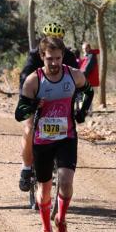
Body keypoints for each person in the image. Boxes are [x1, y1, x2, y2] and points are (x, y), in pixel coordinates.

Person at [15, 36, 93, 232]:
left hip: (66, 137)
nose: (55, 63)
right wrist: (33, 105)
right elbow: (19, 113)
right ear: (42, 57)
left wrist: (81, 111)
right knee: (44, 190)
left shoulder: (73, 75)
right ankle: (45, 230)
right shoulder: (33, 80)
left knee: (66, 183)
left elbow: (89, 91)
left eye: (58, 58)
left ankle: (61, 220)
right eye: (50, 59)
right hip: (42, 141)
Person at [18, 22, 79, 192]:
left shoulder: (68, 56)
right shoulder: (34, 55)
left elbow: (78, 78)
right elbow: (24, 77)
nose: (54, 41)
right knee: (30, 127)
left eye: (58, 38)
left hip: (60, 101)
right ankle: (26, 167)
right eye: (51, 38)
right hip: (37, 97)